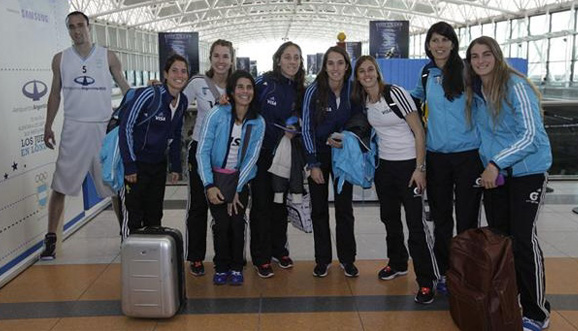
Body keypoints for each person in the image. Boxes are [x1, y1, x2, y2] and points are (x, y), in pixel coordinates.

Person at [465, 36, 551, 331]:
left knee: (524, 241)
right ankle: (508, 301)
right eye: (474, 56)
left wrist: (495, 162)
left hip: (527, 172)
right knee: (502, 243)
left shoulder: (516, 86)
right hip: (497, 177)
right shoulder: (477, 91)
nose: (480, 61)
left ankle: (537, 312)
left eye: (486, 55)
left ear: (497, 56)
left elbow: (531, 135)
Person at [40, 11, 130, 260]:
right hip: (74, 128)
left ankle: (126, 233)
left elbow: (125, 88)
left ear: (89, 27)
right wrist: (48, 125)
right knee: (60, 186)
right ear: (68, 30)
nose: (77, 30)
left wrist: (144, 101)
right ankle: (51, 240)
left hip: (102, 129)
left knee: (113, 185)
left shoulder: (108, 56)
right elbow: (55, 94)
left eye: (80, 25)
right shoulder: (60, 59)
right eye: (72, 27)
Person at [352, 55, 440, 304]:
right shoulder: (365, 101)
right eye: (362, 71)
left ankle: (427, 279)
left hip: (409, 166)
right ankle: (398, 262)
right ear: (357, 77)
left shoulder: (395, 93)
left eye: (370, 70)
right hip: (385, 168)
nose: (367, 74)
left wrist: (419, 168)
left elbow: (419, 131)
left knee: (415, 224)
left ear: (377, 72)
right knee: (389, 218)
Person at [410, 22, 483, 293]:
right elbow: (414, 101)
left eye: (444, 40)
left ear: (453, 43)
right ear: (428, 45)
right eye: (434, 40)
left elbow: (485, 106)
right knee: (441, 219)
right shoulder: (427, 73)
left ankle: (468, 271)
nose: (439, 45)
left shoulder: (467, 71)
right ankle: (443, 271)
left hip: (468, 156)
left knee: (467, 219)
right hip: (437, 156)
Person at [196, 70, 265, 285]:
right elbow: (202, 151)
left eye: (249, 87)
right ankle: (221, 265)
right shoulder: (217, 114)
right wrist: (209, 185)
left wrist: (237, 189)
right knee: (221, 224)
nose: (245, 92)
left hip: (240, 180)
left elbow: (252, 158)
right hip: (215, 180)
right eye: (240, 87)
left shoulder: (258, 122)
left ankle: (237, 266)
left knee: (237, 223)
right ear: (232, 91)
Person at [302, 46, 360, 278]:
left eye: (340, 63)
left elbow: (360, 121)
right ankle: (322, 259)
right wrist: (312, 163)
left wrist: (347, 138)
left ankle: (348, 259)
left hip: (343, 155)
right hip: (319, 155)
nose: (335, 68)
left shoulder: (354, 91)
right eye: (330, 63)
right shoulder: (314, 91)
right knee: (319, 209)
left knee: (345, 208)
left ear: (347, 66)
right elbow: (305, 127)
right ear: (324, 67)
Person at [249, 41, 306, 278]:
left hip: (286, 157)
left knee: (280, 204)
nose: (292, 61)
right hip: (262, 156)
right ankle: (261, 256)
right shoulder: (264, 84)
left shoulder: (302, 89)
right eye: (288, 57)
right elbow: (246, 107)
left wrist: (296, 127)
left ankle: (279, 249)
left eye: (296, 57)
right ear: (278, 59)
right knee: (261, 206)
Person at [118, 54, 189, 237]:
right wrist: (129, 165)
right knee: (133, 215)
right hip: (137, 165)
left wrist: (175, 166)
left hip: (158, 166)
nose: (179, 75)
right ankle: (130, 256)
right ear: (165, 74)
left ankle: (152, 257)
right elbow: (126, 126)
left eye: (183, 71)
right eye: (174, 70)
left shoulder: (183, 102)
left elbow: (175, 135)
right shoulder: (150, 94)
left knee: (155, 215)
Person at [182, 39, 235, 277]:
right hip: (199, 152)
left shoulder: (238, 85)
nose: (221, 61)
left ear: (232, 59)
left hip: (226, 155)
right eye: (217, 56)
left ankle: (225, 258)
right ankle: (195, 257)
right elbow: (175, 101)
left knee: (224, 208)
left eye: (225, 56)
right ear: (210, 58)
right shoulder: (197, 82)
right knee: (198, 206)